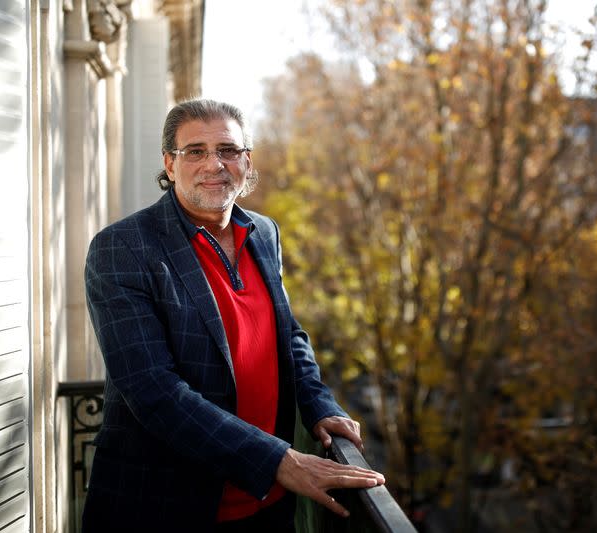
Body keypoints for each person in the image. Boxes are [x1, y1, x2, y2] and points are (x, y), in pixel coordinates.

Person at [82, 98, 384, 532]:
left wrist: (319, 405)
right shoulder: (124, 248)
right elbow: (153, 391)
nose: (214, 164)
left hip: (268, 503)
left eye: (227, 150)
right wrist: (277, 459)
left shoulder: (264, 232)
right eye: (196, 151)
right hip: (166, 505)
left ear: (247, 161)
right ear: (169, 163)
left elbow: (289, 337)